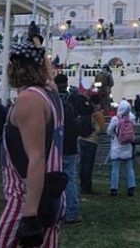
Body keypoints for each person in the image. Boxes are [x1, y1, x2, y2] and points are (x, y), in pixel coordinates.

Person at [0, 43, 66, 248]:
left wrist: (30, 215)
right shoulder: (50, 94)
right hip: (51, 194)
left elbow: (36, 158)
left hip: (26, 198)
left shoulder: (30, 99)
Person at [55, 74, 82, 224]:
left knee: (52, 179)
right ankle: (71, 212)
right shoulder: (73, 99)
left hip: (55, 145)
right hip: (70, 145)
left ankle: (54, 212)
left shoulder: (51, 100)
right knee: (70, 179)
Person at [107, 100, 136, 197]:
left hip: (117, 146)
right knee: (130, 168)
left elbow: (109, 131)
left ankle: (114, 189)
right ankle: (131, 188)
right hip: (128, 146)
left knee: (115, 168)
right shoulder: (131, 118)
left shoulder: (115, 119)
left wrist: (115, 136)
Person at [77, 93, 105, 195]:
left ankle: (82, 186)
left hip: (81, 139)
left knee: (82, 164)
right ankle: (87, 188)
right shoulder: (97, 114)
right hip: (91, 140)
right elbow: (101, 129)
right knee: (89, 165)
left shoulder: (84, 110)